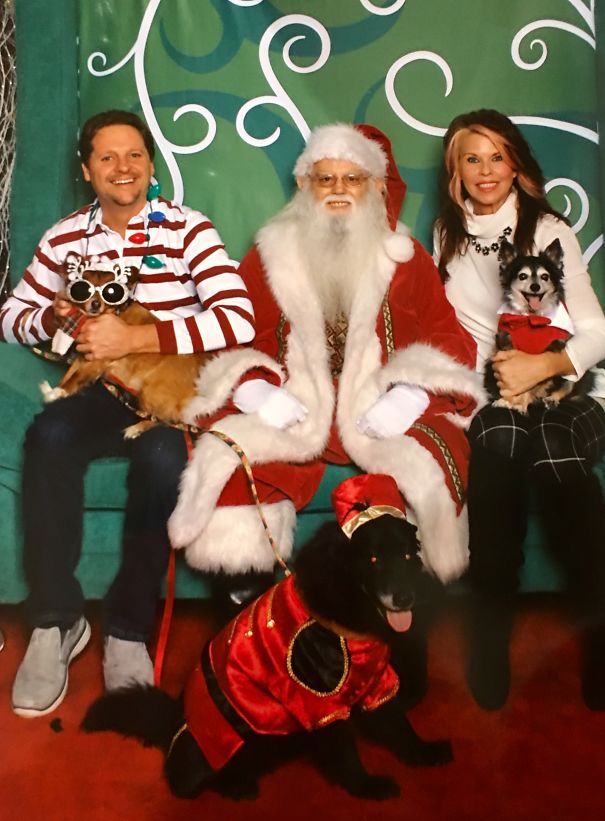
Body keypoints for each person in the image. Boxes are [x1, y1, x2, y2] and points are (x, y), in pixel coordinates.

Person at [168, 123, 485, 696]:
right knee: (240, 473)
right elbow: (236, 332)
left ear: (373, 186)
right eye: (325, 178)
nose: (338, 188)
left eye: (352, 178)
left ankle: (402, 666)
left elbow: (449, 338)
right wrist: (256, 389)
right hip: (299, 403)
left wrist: (412, 393)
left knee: (424, 473)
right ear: (306, 185)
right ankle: (248, 650)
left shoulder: (405, 258)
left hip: (377, 408)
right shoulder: (271, 252)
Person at [2, 109, 255, 717]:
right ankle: (56, 621)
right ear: (86, 169)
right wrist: (59, 318)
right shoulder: (66, 236)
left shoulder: (188, 230)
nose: (123, 167)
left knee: (165, 457)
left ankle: (128, 630)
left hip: (166, 392)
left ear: (150, 164)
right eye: (108, 157)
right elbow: (12, 317)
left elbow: (238, 319)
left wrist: (137, 339)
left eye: (135, 154)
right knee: (49, 435)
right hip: (96, 388)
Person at [433, 108, 605, 710]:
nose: (485, 170)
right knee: (500, 449)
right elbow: (465, 331)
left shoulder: (550, 229)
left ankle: (599, 634)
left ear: (516, 165)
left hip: (569, 380)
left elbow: (597, 332)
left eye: (496, 157)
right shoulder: (446, 233)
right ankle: (489, 636)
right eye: (471, 158)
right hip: (499, 385)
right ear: (456, 170)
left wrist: (543, 366)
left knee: (558, 457)